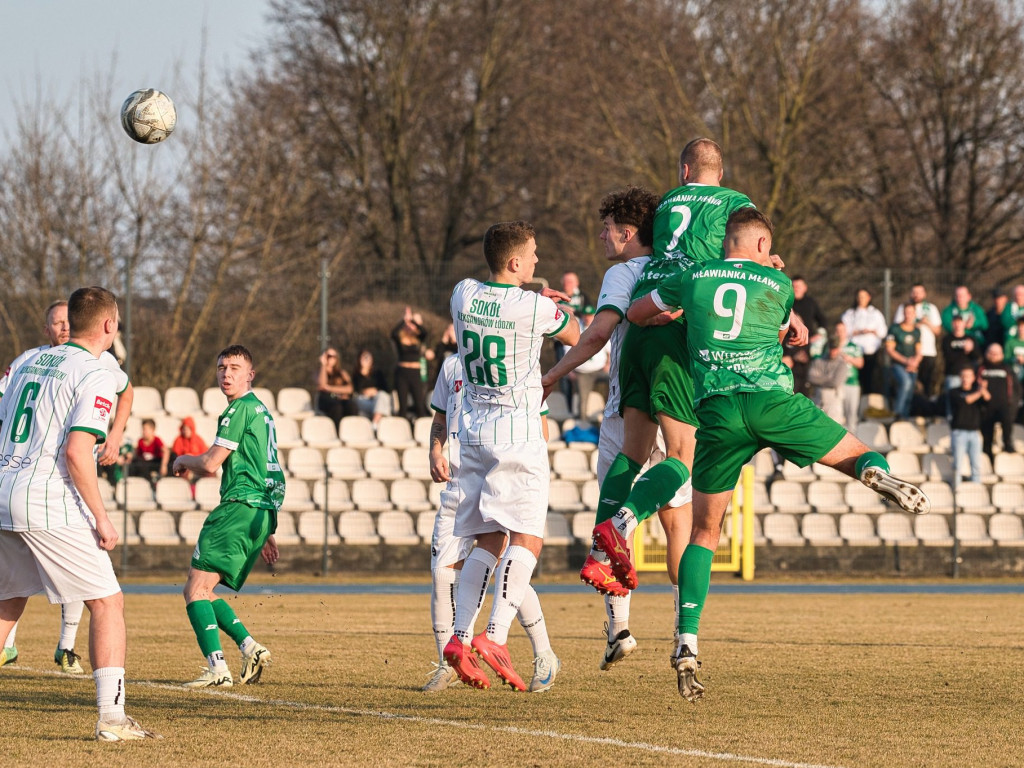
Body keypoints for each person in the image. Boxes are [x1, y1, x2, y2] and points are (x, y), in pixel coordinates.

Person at [628, 209, 929, 702]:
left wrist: (670, 312)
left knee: (705, 532)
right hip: (773, 402)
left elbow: (641, 313)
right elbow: (790, 331)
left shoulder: (693, 276)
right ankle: (875, 473)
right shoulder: (779, 283)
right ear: (762, 243)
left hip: (718, 413)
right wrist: (776, 281)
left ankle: (687, 640)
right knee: (858, 453)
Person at [581, 139, 803, 601]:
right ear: (719, 172)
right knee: (682, 457)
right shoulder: (737, 204)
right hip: (679, 326)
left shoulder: (666, 206)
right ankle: (622, 522)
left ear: (684, 171)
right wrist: (779, 284)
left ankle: (600, 551)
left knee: (633, 451)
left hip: (642, 323)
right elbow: (742, 261)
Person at [0, 286, 159, 740]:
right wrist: (102, 518)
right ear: (109, 325)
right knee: (107, 601)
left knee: (8, 602)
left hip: (5, 489)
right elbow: (76, 452)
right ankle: (112, 720)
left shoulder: (29, 360)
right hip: (46, 498)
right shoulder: (95, 373)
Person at [541, 186, 689, 670]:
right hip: (681, 405)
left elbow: (599, 337)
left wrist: (553, 374)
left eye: (608, 229)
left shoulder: (623, 272)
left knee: (614, 519)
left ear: (628, 234)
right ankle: (685, 634)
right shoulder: (681, 268)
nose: (602, 236)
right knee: (678, 528)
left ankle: (618, 629)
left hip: (629, 410)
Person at [442, 220, 579, 692]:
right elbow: (578, 334)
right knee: (527, 538)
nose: (539, 262)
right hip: (517, 433)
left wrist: (536, 298)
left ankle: (459, 637)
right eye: (534, 255)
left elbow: (492, 294)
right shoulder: (535, 308)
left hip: (473, 433)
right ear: (516, 262)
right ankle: (495, 635)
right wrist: (550, 305)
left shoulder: (461, 294)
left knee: (486, 541)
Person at [424, 353, 559, 693]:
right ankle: (449, 661)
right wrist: (435, 451)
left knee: (507, 569)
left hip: (501, 472)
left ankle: (543, 653)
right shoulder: (452, 365)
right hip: (460, 481)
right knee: (445, 574)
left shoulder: (515, 356)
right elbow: (440, 415)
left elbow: (538, 418)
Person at [172, 345, 285, 689]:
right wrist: (266, 530)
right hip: (260, 510)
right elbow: (263, 465)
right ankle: (249, 647)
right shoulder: (262, 411)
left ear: (250, 375)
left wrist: (182, 460)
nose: (226, 373)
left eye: (235, 367)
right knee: (203, 588)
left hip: (239, 505)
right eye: (222, 367)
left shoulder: (239, 409)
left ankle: (217, 669)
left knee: (195, 588)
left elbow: (209, 463)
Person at [894, 284, 942, 397]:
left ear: (924, 293)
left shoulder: (931, 308)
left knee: (927, 383)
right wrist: (916, 324)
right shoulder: (903, 308)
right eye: (914, 292)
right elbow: (897, 328)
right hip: (908, 354)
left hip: (928, 351)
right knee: (909, 384)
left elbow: (938, 331)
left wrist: (926, 323)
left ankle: (926, 410)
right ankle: (908, 411)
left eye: (919, 292)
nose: (916, 295)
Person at [784, 276, 828, 397]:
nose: (796, 288)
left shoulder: (810, 302)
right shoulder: (786, 302)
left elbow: (823, 321)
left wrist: (819, 334)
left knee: (805, 384)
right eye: (794, 286)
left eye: (799, 286)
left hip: (807, 347)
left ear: (805, 288)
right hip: (789, 347)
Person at [840, 288, 889, 396]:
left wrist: (871, 331)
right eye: (859, 296)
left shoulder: (876, 313)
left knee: (870, 380)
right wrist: (857, 332)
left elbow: (883, 332)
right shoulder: (850, 314)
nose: (861, 299)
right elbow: (842, 330)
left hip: (871, 353)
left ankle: (868, 404)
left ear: (869, 298)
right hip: (854, 353)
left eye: (864, 296)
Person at [949, 366, 990, 488]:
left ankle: (976, 491)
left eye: (968, 376)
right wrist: (980, 390)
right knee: (958, 464)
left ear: (973, 378)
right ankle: (957, 491)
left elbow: (988, 399)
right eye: (963, 376)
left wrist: (983, 389)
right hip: (959, 433)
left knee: (976, 465)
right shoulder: (954, 392)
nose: (965, 379)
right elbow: (967, 400)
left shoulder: (977, 391)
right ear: (960, 378)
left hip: (974, 433)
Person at [553, 271, 591, 403]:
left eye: (571, 281)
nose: (568, 284)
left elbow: (590, 313)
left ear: (577, 283)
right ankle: (566, 405)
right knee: (562, 373)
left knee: (583, 372)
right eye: (566, 281)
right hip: (560, 342)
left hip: (579, 338)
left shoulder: (582, 297)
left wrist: (573, 312)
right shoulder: (556, 295)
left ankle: (583, 405)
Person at [977, 344, 1019, 460]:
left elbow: (1016, 388)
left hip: (1004, 406)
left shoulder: (1007, 369)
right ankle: (988, 459)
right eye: (991, 353)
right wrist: (981, 392)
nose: (994, 356)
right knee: (987, 437)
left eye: (997, 353)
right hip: (986, 407)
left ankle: (1008, 446)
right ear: (986, 354)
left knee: (1007, 425)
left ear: (1002, 355)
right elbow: (974, 385)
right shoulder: (981, 369)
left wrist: (1012, 404)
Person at [570, 307, 610, 423]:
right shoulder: (577, 329)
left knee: (615, 380)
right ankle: (583, 425)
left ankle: (610, 408)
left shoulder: (601, 328)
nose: (587, 318)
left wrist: (608, 363)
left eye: (590, 315)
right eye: (585, 315)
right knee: (583, 400)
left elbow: (609, 350)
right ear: (582, 316)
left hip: (599, 369)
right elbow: (567, 351)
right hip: (583, 372)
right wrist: (569, 370)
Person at [885, 305, 922, 420]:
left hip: (912, 366)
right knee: (905, 383)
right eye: (906, 312)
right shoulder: (895, 329)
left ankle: (905, 417)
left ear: (915, 314)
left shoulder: (916, 331)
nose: (908, 315)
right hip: (898, 365)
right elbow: (890, 350)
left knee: (910, 391)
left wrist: (915, 362)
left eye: (911, 313)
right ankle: (898, 414)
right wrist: (906, 361)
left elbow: (919, 351)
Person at [392, 306, 429, 421]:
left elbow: (424, 332)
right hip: (402, 373)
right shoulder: (400, 338)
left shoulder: (418, 338)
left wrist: (412, 320)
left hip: (415, 373)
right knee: (402, 407)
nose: (410, 327)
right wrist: (404, 320)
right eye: (408, 325)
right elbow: (393, 333)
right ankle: (402, 431)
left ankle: (421, 431)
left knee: (419, 405)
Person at [807, 335, 850, 425]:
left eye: (835, 349)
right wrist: (828, 378)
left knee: (834, 430)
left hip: (834, 402)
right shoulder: (819, 361)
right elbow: (811, 378)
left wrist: (820, 378)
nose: (832, 351)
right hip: (818, 400)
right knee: (816, 428)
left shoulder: (842, 364)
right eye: (831, 348)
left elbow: (835, 382)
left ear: (838, 348)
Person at [162, 416, 212, 484]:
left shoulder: (198, 440)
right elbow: (176, 457)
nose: (185, 431)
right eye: (184, 429)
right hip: (184, 466)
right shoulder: (178, 440)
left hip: (197, 465)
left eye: (188, 429)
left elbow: (204, 454)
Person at [316, 347, 355, 428]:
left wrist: (329, 388)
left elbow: (349, 389)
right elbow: (322, 384)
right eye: (329, 356)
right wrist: (323, 365)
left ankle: (352, 431)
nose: (332, 358)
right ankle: (336, 432)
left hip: (340, 400)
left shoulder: (342, 373)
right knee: (337, 407)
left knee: (351, 405)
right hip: (326, 400)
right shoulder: (321, 371)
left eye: (334, 356)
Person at [351, 349, 392, 425]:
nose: (366, 359)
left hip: (377, 400)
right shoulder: (356, 375)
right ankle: (376, 422)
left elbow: (386, 389)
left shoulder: (378, 373)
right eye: (364, 357)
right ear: (359, 359)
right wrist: (365, 392)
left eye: (368, 357)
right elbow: (354, 390)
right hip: (364, 401)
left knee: (382, 396)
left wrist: (375, 391)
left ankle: (375, 423)